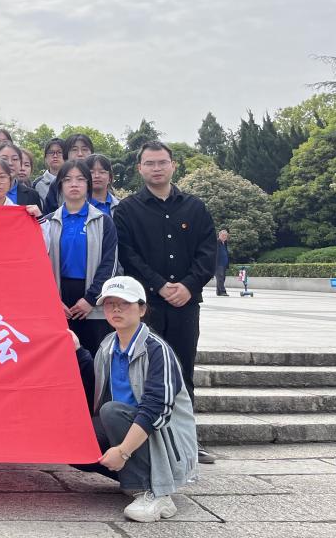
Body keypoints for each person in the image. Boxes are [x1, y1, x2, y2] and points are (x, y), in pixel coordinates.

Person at [113, 141, 217, 465]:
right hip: (147, 307)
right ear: (139, 168)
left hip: (186, 305)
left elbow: (207, 253)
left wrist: (188, 285)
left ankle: (187, 442)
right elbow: (128, 255)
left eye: (162, 162)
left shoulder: (195, 208)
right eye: (149, 163)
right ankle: (148, 442)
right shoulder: (127, 210)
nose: (156, 168)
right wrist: (158, 285)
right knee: (146, 373)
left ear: (173, 165)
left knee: (183, 370)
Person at [75, 276, 198, 523]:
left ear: (142, 309)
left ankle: (156, 492)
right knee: (75, 443)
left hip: (163, 438)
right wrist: (77, 350)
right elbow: (96, 384)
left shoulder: (157, 350)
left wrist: (122, 452)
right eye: (110, 304)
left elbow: (156, 409)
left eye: (125, 303)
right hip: (126, 427)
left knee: (111, 411)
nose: (116, 309)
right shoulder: (108, 345)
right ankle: (133, 480)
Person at [45, 159, 118, 355]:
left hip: (92, 301)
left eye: (80, 179)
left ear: (88, 184)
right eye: (68, 179)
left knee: (94, 359)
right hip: (59, 300)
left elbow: (109, 264)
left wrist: (90, 299)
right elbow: (39, 267)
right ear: (60, 185)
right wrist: (53, 300)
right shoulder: (48, 222)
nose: (74, 184)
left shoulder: (103, 221)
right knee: (62, 359)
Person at [43, 134, 96, 213]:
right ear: (66, 154)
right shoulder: (57, 183)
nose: (80, 154)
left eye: (84, 149)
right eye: (74, 150)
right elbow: (49, 215)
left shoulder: (99, 179)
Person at [215, 229, 230, 296]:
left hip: (224, 264)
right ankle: (223, 291)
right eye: (223, 235)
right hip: (218, 264)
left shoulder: (225, 243)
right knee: (220, 278)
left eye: (226, 235)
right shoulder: (217, 242)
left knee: (222, 278)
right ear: (219, 235)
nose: (224, 237)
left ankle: (218, 292)